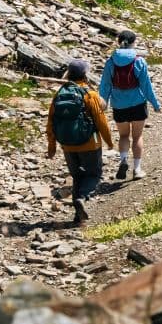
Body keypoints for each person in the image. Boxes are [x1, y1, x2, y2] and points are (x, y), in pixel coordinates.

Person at [45, 59, 112, 226]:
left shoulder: (59, 93)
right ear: (85, 74)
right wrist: (109, 141)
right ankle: (82, 198)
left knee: (76, 176)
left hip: (67, 144)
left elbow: (50, 121)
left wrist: (52, 146)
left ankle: (78, 217)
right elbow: (101, 121)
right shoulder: (90, 94)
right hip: (90, 143)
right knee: (94, 174)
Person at [102, 29, 161, 180]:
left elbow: (105, 85)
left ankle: (123, 161)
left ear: (118, 42)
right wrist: (155, 103)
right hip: (137, 104)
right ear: (134, 43)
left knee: (123, 135)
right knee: (137, 136)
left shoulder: (110, 62)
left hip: (119, 105)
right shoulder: (139, 61)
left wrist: (103, 104)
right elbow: (146, 86)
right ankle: (137, 169)